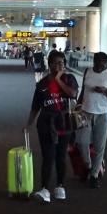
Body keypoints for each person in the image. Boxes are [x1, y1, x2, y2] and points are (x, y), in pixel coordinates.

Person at [25, 49, 80, 203]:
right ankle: (44, 189)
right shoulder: (42, 84)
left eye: (61, 63)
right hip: (46, 123)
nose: (59, 66)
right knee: (48, 156)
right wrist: (29, 124)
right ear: (49, 65)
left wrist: (58, 80)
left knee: (61, 156)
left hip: (64, 122)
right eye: (56, 63)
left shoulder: (69, 79)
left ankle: (60, 186)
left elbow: (72, 94)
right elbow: (35, 106)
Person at [77, 51, 107, 189]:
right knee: (82, 142)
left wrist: (105, 91)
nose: (101, 67)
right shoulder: (87, 71)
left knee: (99, 146)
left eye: (104, 64)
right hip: (86, 112)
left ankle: (94, 175)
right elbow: (83, 91)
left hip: (103, 114)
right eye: (99, 64)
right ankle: (89, 165)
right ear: (94, 62)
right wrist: (78, 105)